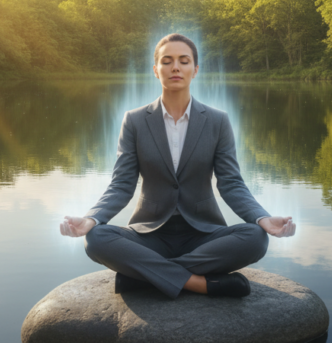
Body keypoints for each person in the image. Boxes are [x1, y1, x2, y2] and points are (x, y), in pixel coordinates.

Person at [59, 33, 295, 299]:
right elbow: (121, 185)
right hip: (149, 236)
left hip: (204, 235)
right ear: (155, 70)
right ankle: (199, 283)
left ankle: (145, 278)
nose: (175, 68)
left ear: (195, 70)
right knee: (97, 238)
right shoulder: (134, 121)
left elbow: (231, 184)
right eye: (167, 61)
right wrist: (90, 219)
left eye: (184, 61)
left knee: (255, 237)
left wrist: (263, 219)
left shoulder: (218, 121)